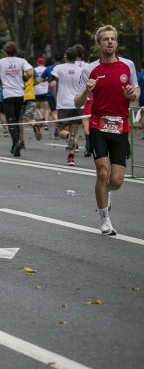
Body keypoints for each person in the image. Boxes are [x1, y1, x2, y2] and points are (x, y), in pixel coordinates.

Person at [73, 25, 139, 235]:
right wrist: (87, 91)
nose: (110, 42)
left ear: (117, 43)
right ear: (98, 44)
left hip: (120, 125)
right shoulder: (89, 69)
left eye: (113, 39)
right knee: (102, 172)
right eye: (105, 39)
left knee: (117, 180)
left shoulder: (128, 65)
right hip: (98, 123)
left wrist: (132, 93)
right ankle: (104, 220)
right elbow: (77, 101)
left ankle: (107, 193)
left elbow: (136, 91)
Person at [0, 41, 32, 157]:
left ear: (5, 51)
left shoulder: (0, 62)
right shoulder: (21, 61)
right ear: (16, 51)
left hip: (7, 94)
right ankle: (16, 144)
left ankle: (16, 142)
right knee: (17, 119)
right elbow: (30, 73)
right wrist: (24, 78)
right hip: (20, 94)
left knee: (10, 119)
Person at [50, 48, 84, 166]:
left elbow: (52, 83)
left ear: (65, 57)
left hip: (64, 104)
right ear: (76, 58)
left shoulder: (58, 68)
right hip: (78, 103)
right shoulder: (81, 69)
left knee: (61, 132)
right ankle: (71, 158)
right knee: (74, 131)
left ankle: (68, 136)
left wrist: (55, 96)